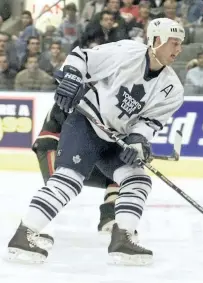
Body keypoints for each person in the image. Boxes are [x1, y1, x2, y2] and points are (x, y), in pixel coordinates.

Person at [6, 18, 185, 266]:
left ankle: (123, 238)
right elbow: (82, 57)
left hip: (116, 139)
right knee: (68, 179)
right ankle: (24, 234)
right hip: (87, 124)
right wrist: (71, 79)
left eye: (180, 44)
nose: (178, 50)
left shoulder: (173, 89)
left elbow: (149, 122)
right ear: (156, 41)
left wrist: (137, 142)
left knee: (138, 180)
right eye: (173, 43)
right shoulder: (125, 52)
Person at [32, 102, 120, 233]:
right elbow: (50, 137)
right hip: (53, 144)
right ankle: (29, 229)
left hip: (80, 148)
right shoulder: (84, 96)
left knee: (120, 175)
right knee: (59, 190)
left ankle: (109, 219)